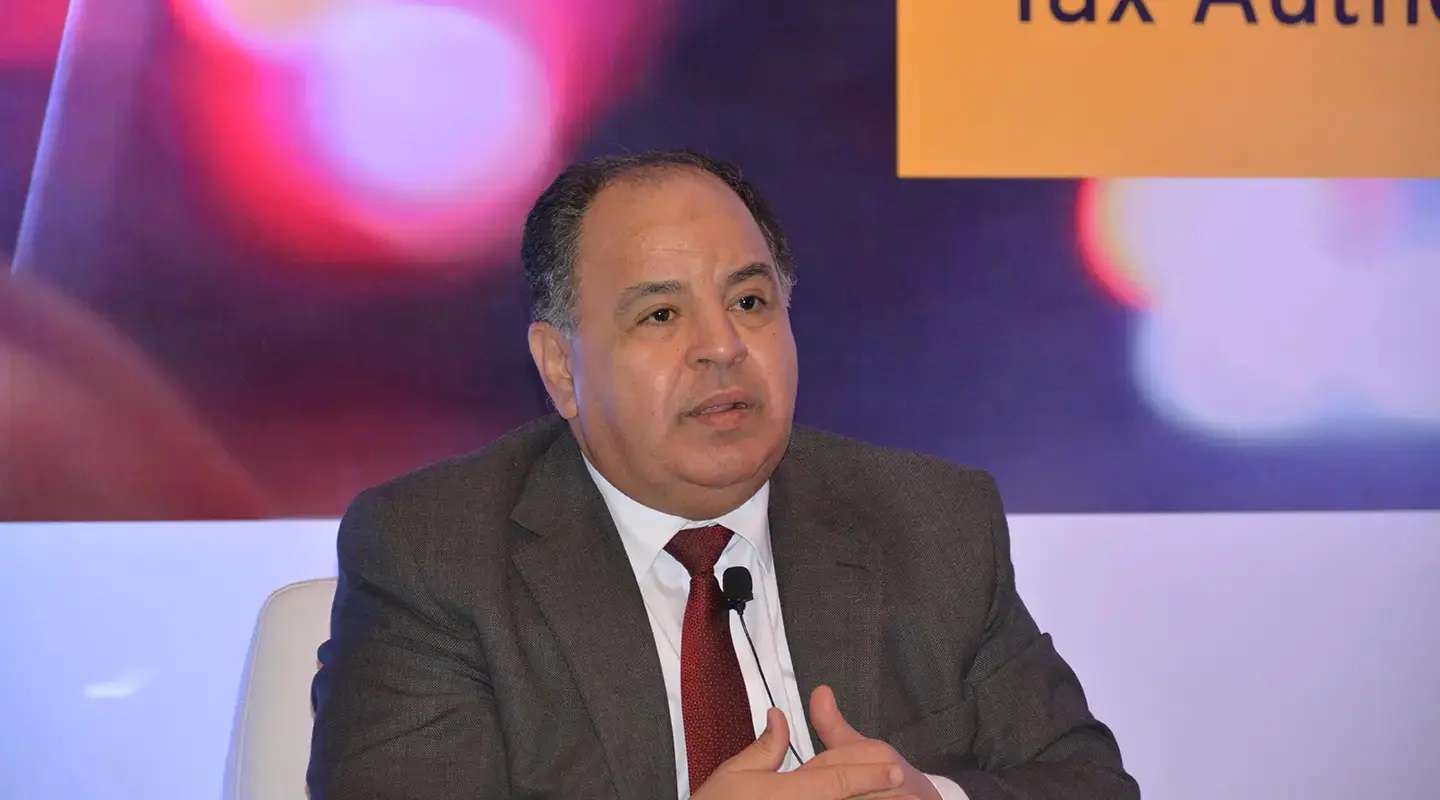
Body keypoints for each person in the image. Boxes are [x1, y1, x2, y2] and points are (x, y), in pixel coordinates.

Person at [308, 150, 1138, 800]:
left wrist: (936, 798)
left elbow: (1089, 786)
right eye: (661, 314)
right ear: (561, 367)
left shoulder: (931, 522)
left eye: (749, 303)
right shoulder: (437, 557)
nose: (721, 347)